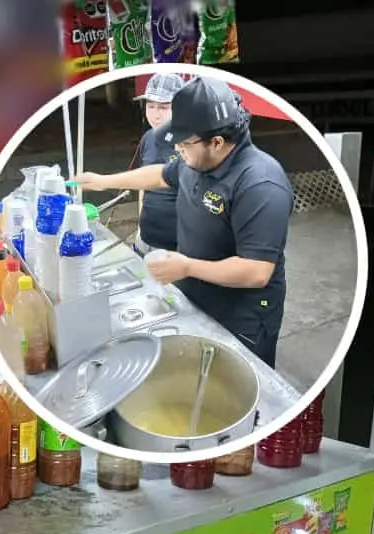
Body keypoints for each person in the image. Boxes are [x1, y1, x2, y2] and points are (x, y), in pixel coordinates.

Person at [75, 77, 293, 367]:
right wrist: (103, 181)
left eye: (184, 142)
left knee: (237, 385)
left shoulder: (260, 183)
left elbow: (256, 271)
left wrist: (186, 266)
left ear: (217, 142)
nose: (177, 148)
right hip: (197, 295)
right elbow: (160, 175)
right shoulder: (196, 159)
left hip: (243, 316)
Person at [133, 72, 185, 255]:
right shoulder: (148, 138)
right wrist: (139, 227)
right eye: (151, 106)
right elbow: (143, 185)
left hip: (178, 248)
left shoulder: (192, 142)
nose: (155, 115)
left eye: (163, 107)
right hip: (145, 239)